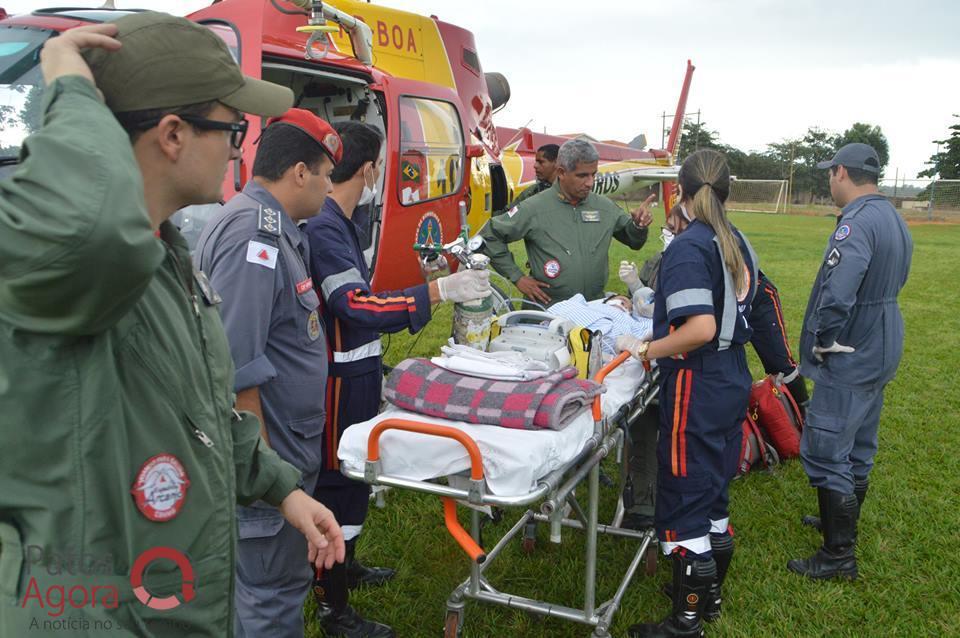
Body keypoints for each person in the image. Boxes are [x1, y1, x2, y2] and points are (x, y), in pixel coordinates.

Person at [0, 14, 344, 636]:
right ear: (173, 134)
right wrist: (72, 95)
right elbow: (93, 232)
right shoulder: (83, 262)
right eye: (231, 128)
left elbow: (202, 413)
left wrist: (282, 490)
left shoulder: (164, 258)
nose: (241, 149)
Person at [304, 121, 491, 638]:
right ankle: (331, 606)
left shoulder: (341, 221)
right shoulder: (323, 227)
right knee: (336, 483)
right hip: (338, 379)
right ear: (367, 169)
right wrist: (439, 291)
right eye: (381, 166)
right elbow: (354, 305)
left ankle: (348, 564)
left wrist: (429, 284)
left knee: (358, 475)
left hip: (360, 370)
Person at [193, 108, 342, 637]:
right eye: (326, 174)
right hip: (267, 462)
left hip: (278, 455)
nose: (329, 187)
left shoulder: (276, 228)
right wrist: (269, 478)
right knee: (270, 599)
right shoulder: (253, 234)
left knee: (263, 594)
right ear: (299, 172)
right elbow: (236, 369)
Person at [616, 149, 759, 637]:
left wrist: (647, 348)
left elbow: (698, 327)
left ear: (679, 191)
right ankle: (708, 595)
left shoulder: (688, 246)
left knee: (683, 494)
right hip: (732, 373)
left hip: (698, 377)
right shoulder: (734, 238)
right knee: (714, 489)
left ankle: (686, 620)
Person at [787, 143, 912, 581]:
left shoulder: (855, 223)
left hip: (853, 345)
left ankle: (838, 554)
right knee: (859, 439)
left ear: (841, 172)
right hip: (883, 335)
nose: (829, 181)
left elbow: (839, 291)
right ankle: (838, 519)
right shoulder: (894, 216)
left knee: (826, 445)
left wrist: (824, 338)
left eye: (830, 173)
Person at [624, 204, 811, 409]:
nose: (670, 234)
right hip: (724, 360)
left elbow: (700, 328)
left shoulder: (704, 247)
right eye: (667, 229)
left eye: (674, 229)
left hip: (755, 299)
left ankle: (803, 412)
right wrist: (634, 286)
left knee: (780, 363)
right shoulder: (667, 260)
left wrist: (644, 350)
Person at [479, 138, 654, 306]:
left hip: (592, 308)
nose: (590, 183)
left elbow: (634, 241)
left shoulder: (604, 206)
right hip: (548, 311)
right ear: (561, 173)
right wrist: (517, 277)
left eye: (593, 175)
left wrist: (638, 226)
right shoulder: (534, 207)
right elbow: (490, 235)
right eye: (582, 176)